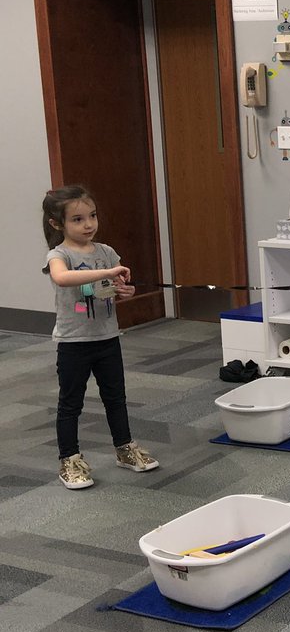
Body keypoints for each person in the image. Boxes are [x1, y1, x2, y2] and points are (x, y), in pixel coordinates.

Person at [42, 186, 159, 490]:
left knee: (115, 398)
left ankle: (124, 448)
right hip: (74, 343)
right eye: (78, 219)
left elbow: (112, 288)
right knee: (71, 403)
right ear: (58, 224)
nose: (89, 224)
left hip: (107, 339)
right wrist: (103, 273)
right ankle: (70, 460)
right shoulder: (59, 255)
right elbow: (61, 278)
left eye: (92, 216)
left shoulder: (106, 252)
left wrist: (125, 290)